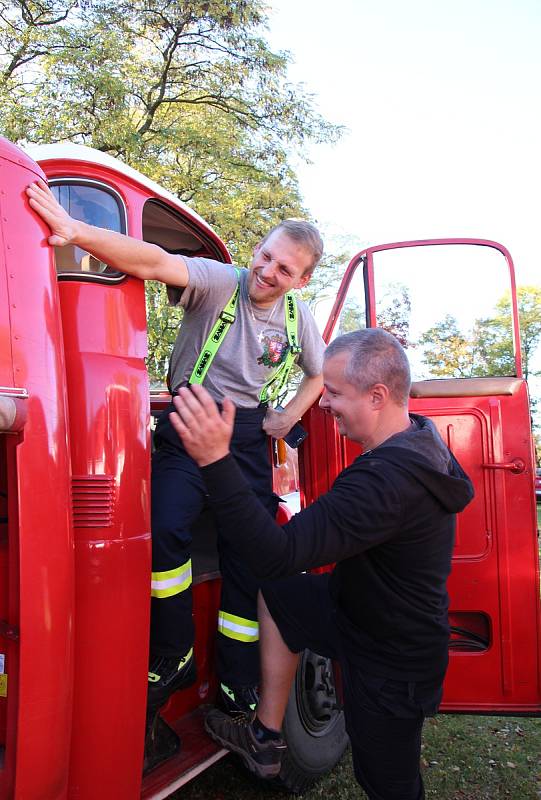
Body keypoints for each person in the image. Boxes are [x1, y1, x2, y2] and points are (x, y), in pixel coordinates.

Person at [26, 180, 326, 760]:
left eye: (284, 269)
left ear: (301, 280)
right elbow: (158, 261)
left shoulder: (299, 317)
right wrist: (77, 230)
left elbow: (316, 374)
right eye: (264, 256)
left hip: (245, 441)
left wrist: (287, 416)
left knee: (252, 559)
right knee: (164, 527)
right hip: (190, 425)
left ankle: (238, 687)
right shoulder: (220, 283)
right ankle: (174, 652)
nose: (266, 272)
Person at [168, 328, 474, 800]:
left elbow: (276, 552)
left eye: (333, 393)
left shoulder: (387, 482)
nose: (323, 404)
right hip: (356, 613)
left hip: (391, 657)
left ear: (377, 396)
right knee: (281, 592)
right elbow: (281, 568)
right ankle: (265, 737)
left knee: (387, 783)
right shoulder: (417, 437)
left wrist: (215, 458)